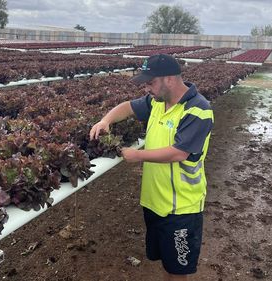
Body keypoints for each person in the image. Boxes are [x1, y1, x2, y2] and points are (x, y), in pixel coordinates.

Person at [89, 54, 214, 281]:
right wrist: (105, 120)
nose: (146, 88)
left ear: (169, 79)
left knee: (177, 271)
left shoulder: (198, 109)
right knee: (167, 264)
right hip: (154, 202)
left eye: (150, 82)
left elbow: (179, 152)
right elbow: (127, 107)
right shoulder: (156, 102)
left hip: (181, 208)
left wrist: (137, 155)